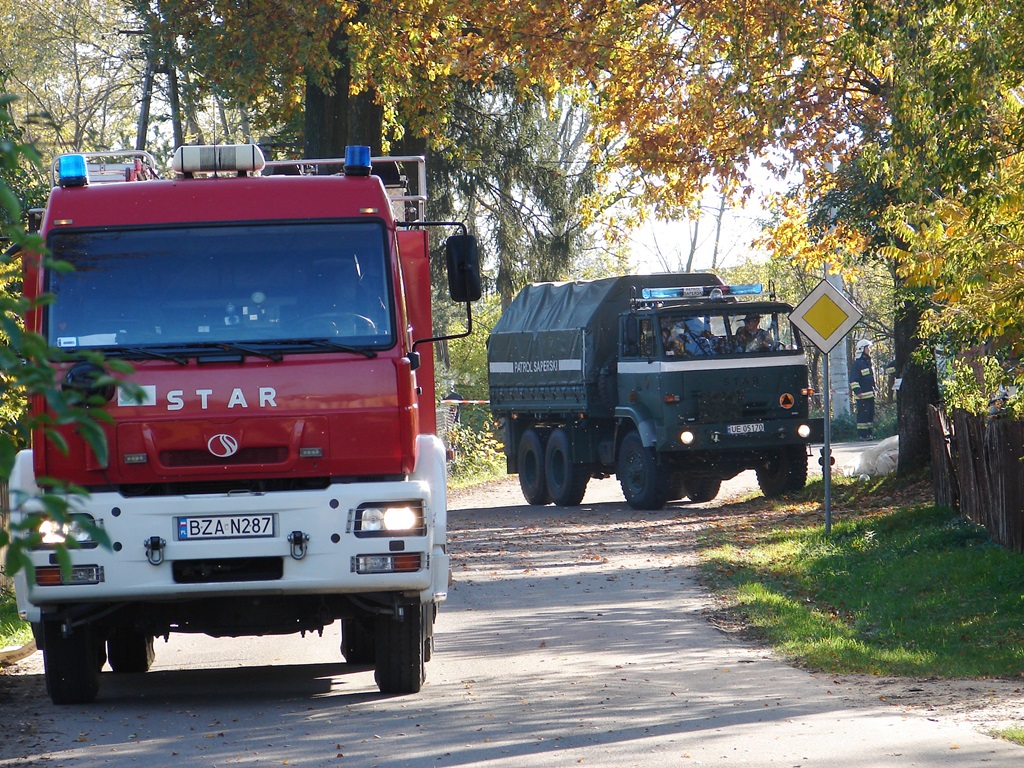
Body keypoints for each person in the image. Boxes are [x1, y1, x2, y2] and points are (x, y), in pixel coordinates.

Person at [849, 338, 876, 441]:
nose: (869, 349)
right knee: (863, 416)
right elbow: (853, 380)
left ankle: (869, 434)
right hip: (862, 395)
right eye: (867, 347)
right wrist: (858, 392)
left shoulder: (867, 363)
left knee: (869, 415)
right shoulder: (858, 364)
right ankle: (862, 435)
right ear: (862, 349)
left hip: (870, 394)